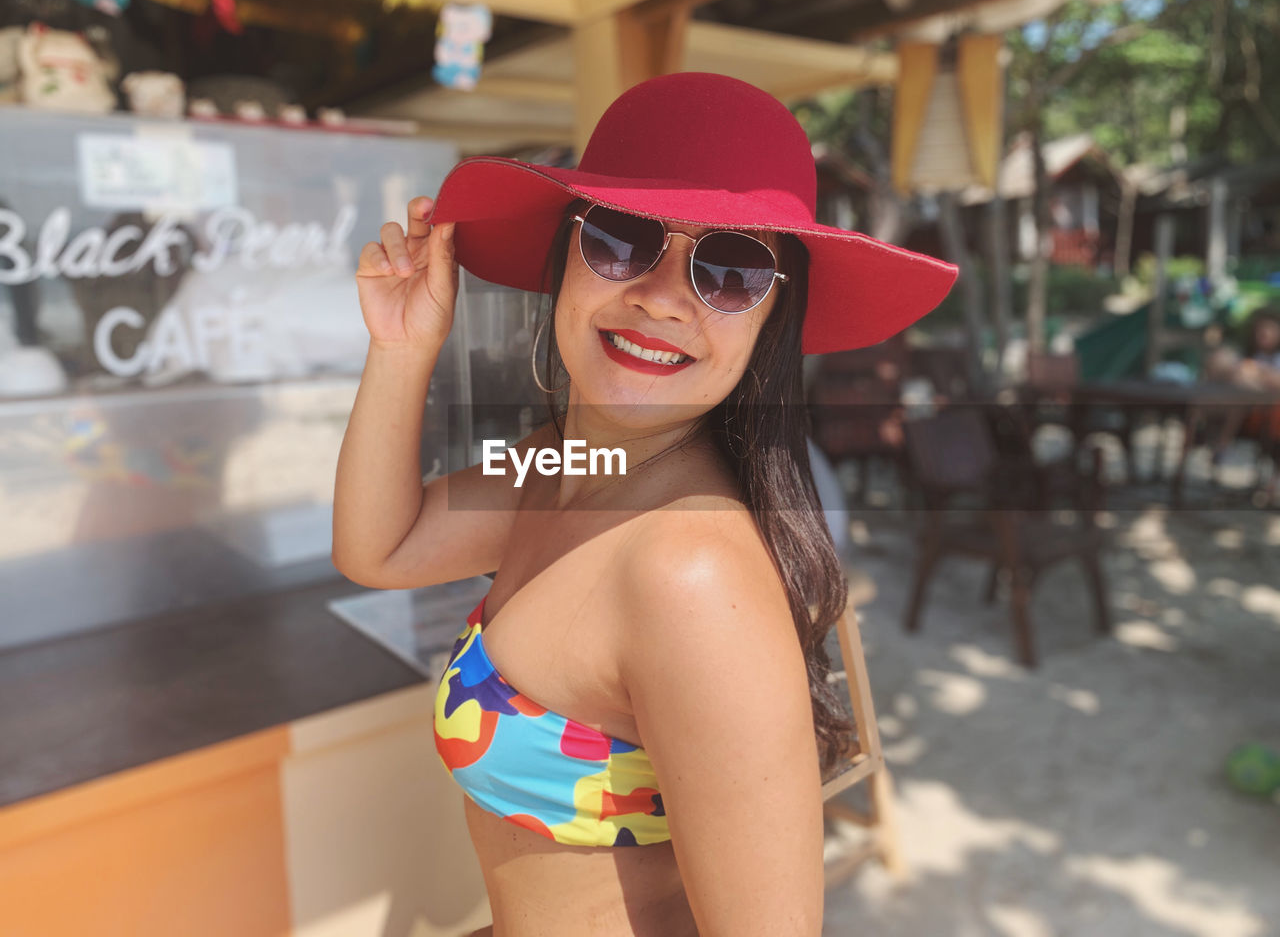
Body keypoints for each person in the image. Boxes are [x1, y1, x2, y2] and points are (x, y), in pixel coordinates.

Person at [332, 72, 958, 937]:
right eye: (622, 240)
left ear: (772, 321)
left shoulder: (688, 573)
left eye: (730, 271)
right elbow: (383, 549)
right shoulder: (565, 466)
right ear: (563, 261)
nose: (663, 297)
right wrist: (402, 351)